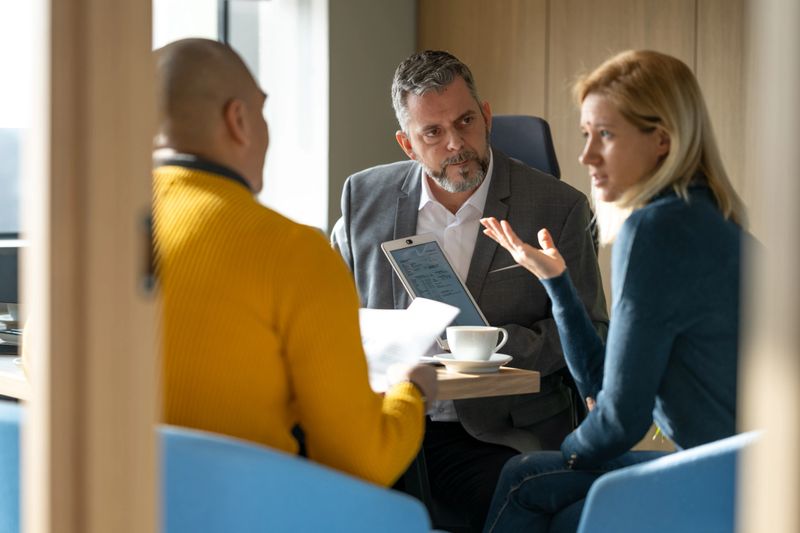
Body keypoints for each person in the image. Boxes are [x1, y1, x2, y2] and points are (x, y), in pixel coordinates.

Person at [331, 50, 608, 530]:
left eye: (465, 122)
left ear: (486, 116)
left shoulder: (557, 207)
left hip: (494, 433)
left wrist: (490, 346)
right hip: (384, 423)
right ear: (407, 144)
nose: (456, 143)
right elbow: (331, 313)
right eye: (433, 133)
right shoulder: (363, 197)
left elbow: (589, 330)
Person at [480, 49, 746, 532]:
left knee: (526, 483)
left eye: (605, 134)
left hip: (718, 481)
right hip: (743, 471)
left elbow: (620, 420)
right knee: (538, 489)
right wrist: (557, 283)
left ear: (662, 140)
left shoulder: (653, 232)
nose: (586, 156)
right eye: (586, 135)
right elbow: (605, 390)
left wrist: (570, 452)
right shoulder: (716, 220)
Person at [152, 38, 438, 487]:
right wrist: (413, 390)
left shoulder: (84, 239)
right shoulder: (292, 250)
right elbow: (363, 462)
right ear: (239, 120)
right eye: (262, 111)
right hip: (243, 511)